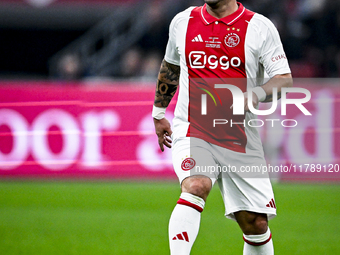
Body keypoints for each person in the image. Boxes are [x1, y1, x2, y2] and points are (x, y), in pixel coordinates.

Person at [152, 1, 292, 254]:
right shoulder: (183, 22)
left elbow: (283, 79)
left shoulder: (259, 27)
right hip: (193, 127)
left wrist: (257, 94)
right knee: (196, 185)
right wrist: (159, 112)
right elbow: (170, 67)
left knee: (255, 223)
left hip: (240, 136)